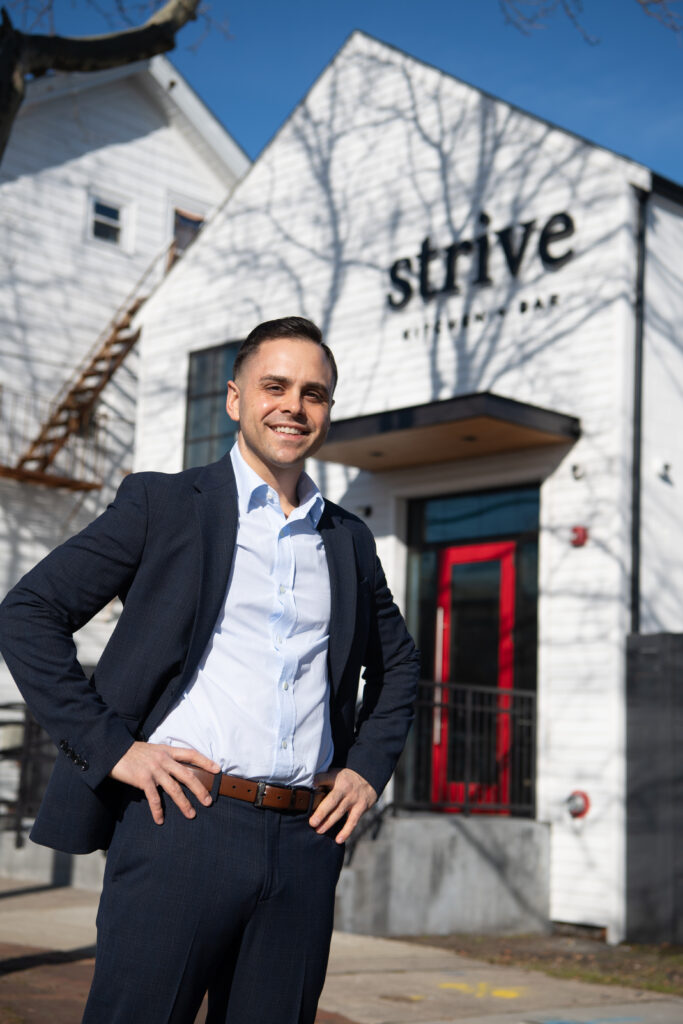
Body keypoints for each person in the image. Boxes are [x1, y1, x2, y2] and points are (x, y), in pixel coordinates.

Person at [0, 316, 420, 1024]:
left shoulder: (346, 539)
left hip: (305, 842)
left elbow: (400, 667)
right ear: (234, 400)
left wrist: (364, 770)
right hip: (182, 826)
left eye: (312, 393)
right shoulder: (163, 505)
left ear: (327, 411)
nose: (293, 405)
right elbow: (28, 613)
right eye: (275, 386)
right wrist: (114, 751)